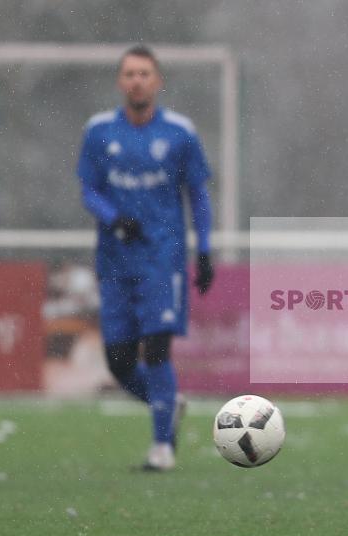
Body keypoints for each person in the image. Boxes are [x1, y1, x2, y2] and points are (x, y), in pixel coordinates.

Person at [77, 45, 215, 471]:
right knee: (119, 363)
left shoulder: (179, 132)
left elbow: (198, 194)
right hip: (116, 261)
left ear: (158, 82)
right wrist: (114, 219)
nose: (137, 80)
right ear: (121, 82)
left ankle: (162, 448)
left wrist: (205, 249)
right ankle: (167, 403)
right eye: (130, 74)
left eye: (144, 73)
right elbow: (88, 190)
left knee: (156, 349)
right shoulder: (100, 131)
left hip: (163, 258)